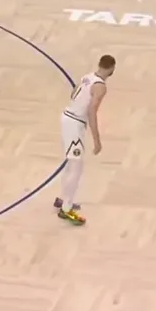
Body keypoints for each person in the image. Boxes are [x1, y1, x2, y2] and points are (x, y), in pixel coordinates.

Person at [55, 55, 116, 225]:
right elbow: (91, 111)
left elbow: (74, 93)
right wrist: (97, 140)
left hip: (67, 116)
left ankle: (64, 199)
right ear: (112, 68)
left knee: (71, 164)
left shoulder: (87, 77)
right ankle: (66, 209)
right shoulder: (100, 87)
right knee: (76, 167)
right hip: (74, 124)